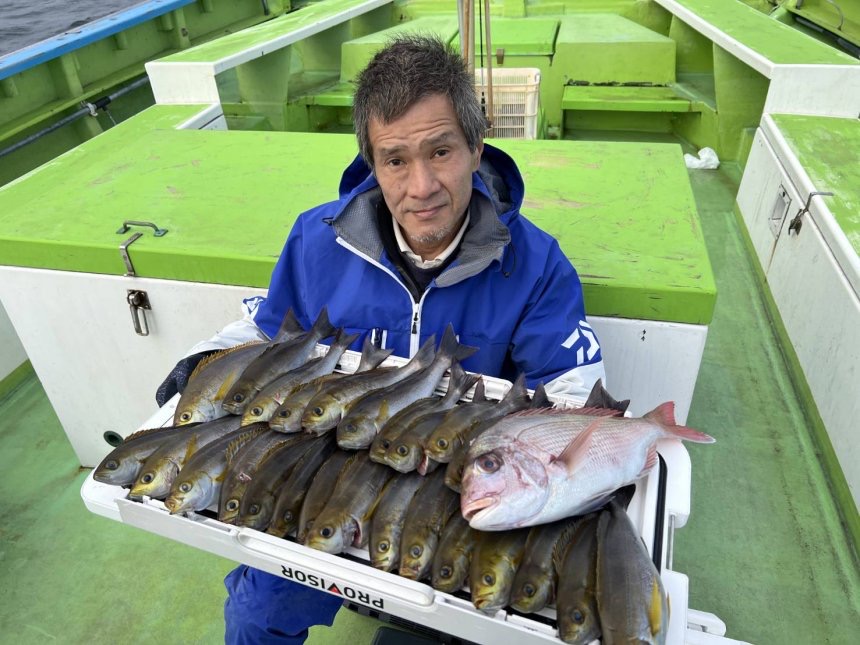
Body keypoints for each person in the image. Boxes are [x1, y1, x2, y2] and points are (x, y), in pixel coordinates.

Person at [156, 35, 604, 644]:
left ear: (476, 147)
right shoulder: (316, 239)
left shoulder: (538, 264)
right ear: (371, 162)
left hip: (460, 488)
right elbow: (267, 329)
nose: (421, 187)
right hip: (322, 475)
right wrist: (208, 360)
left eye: (440, 151)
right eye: (395, 160)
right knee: (256, 614)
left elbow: (572, 393)